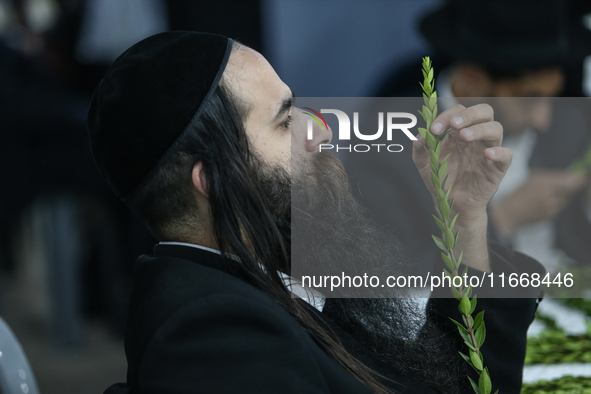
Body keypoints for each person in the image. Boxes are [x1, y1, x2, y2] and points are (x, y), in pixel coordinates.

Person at [88, 31, 544, 394]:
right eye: (285, 120)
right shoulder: (214, 336)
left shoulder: (276, 269)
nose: (320, 131)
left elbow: (461, 385)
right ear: (211, 179)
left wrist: (466, 217)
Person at [346, 0, 591, 270]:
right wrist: (504, 218)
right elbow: (399, 274)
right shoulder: (386, 146)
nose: (543, 119)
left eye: (551, 97)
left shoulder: (570, 120)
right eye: (529, 99)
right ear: (473, 80)